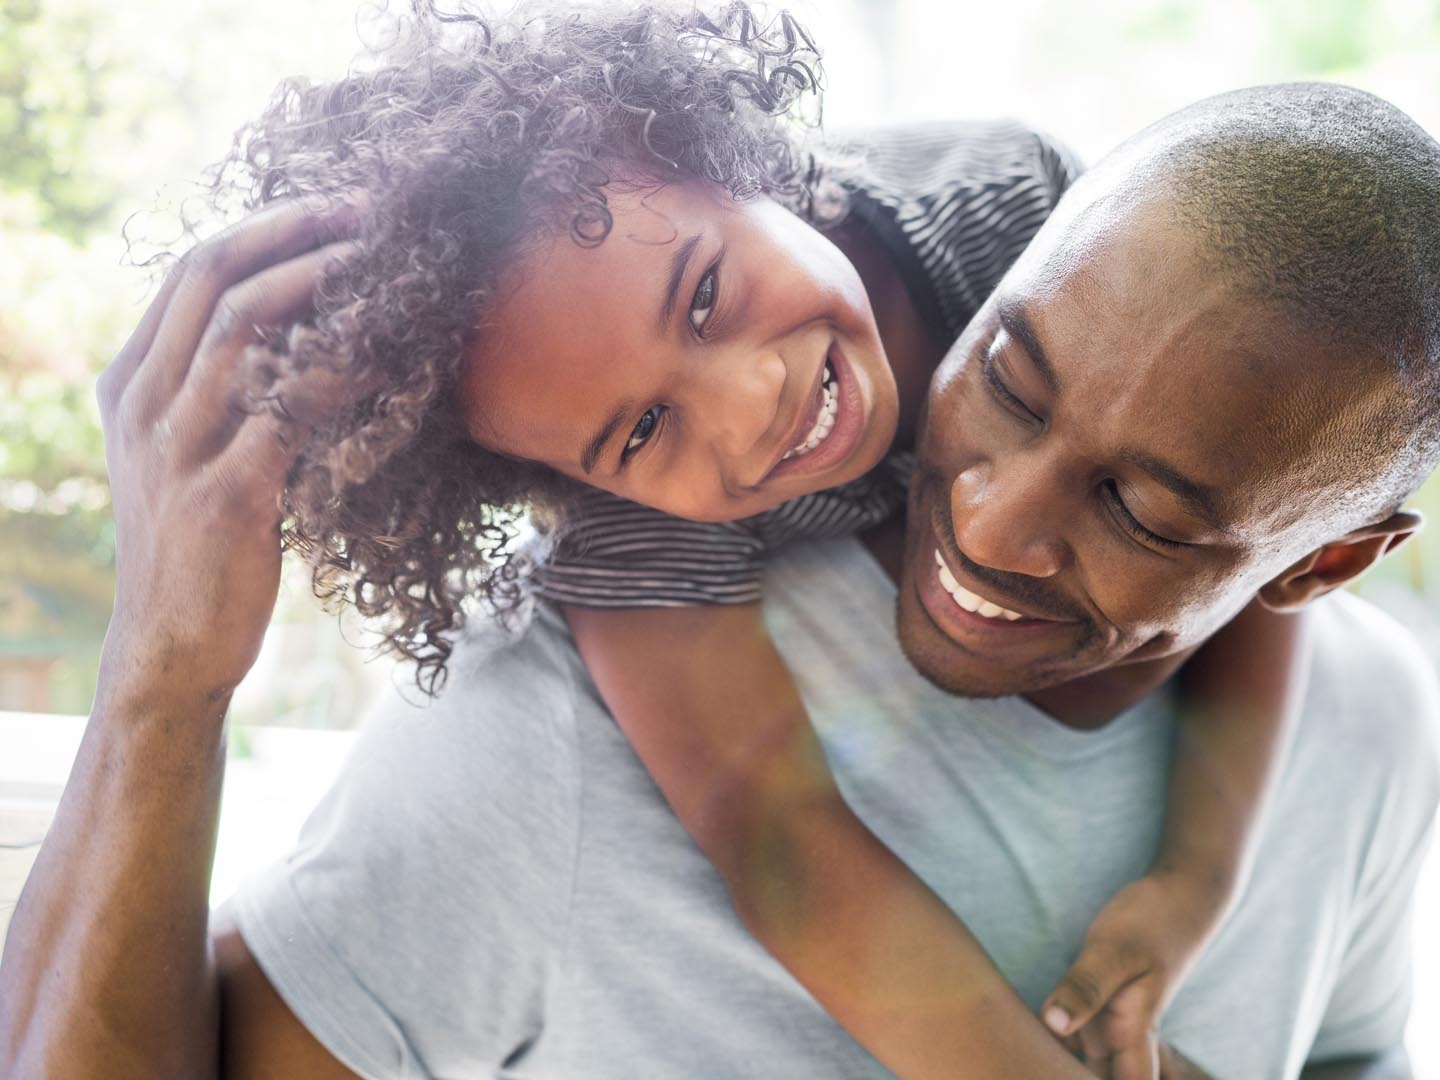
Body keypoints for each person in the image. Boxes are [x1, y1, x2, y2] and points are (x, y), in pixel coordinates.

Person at [1, 10, 1438, 1080]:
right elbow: (783, 843)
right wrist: (166, 664)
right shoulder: (614, 596)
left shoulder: (1026, 209)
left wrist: (1195, 886)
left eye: (705, 295)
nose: (756, 414)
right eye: (636, 434)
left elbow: (1256, 498)